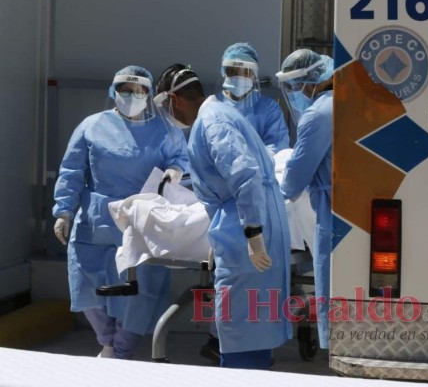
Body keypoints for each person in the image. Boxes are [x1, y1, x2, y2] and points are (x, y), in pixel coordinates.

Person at [154, 64, 292, 370]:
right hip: (253, 221)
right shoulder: (221, 115)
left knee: (240, 323)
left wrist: (253, 234)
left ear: (174, 100)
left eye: (165, 108)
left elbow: (244, 175)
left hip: (246, 233)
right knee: (254, 322)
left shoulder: (212, 121)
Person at [52, 65, 189, 360]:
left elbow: (181, 157)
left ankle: (123, 347)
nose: (131, 96)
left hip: (141, 220)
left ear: (149, 93)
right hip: (96, 220)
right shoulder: (91, 126)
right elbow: (72, 170)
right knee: (88, 282)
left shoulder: (164, 128)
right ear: (113, 92)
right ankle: (108, 342)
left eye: (139, 90)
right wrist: (63, 210)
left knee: (140, 290)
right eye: (125, 90)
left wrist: (176, 170)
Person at [275, 49, 333, 350]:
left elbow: (294, 180)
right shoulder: (344, 102)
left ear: (311, 81)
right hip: (345, 205)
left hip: (333, 213)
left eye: (296, 86)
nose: (296, 93)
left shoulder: (318, 115)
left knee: (333, 290)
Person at [214, 42, 289, 154]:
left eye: (245, 72)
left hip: (258, 170)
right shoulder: (213, 106)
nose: (239, 77)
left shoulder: (269, 108)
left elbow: (277, 146)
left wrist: (249, 164)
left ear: (254, 75)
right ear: (224, 73)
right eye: (233, 72)